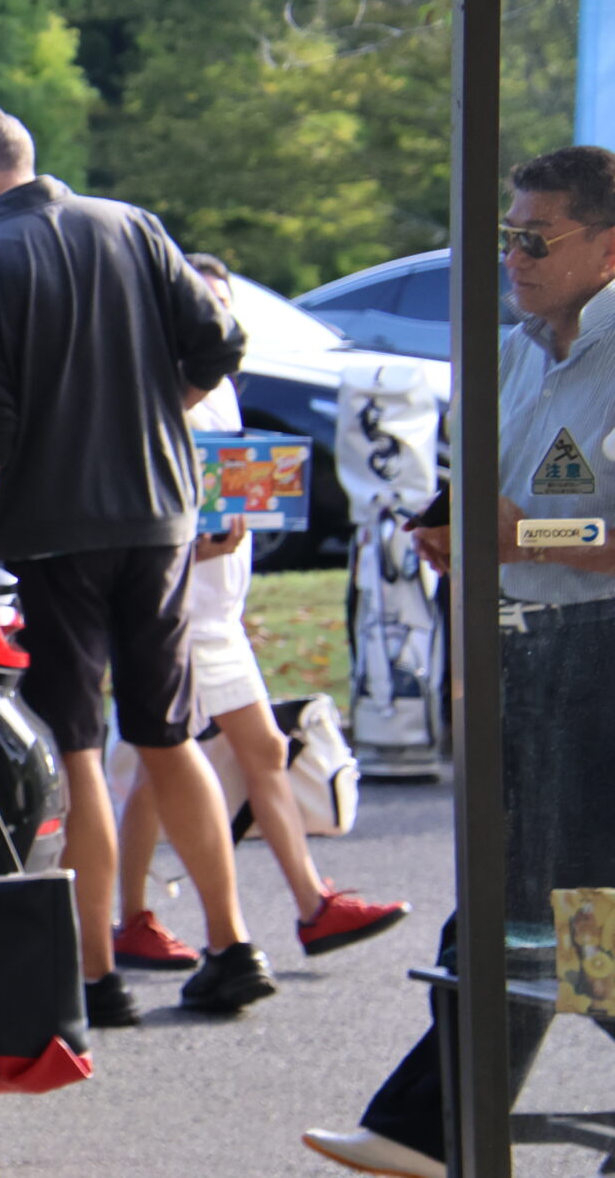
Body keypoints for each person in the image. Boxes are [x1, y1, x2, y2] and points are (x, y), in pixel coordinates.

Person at [0, 106, 272, 1026]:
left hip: (55, 530)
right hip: (160, 521)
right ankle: (233, 946)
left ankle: (98, 975)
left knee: (78, 743)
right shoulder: (134, 226)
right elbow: (221, 345)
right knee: (166, 733)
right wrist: (156, 408)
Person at [304, 146, 615, 1178]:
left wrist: (525, 537)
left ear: (608, 248)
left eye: (535, 238)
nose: (512, 256)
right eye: (506, 236)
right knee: (564, 911)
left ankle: (424, 1127)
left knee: (526, 898)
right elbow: (493, 500)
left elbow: (573, 530)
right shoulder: (513, 353)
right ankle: (426, 1127)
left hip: (597, 655)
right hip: (522, 651)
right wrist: (453, 526)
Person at [111, 254, 410, 972]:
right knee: (171, 762)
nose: (216, 320)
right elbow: (128, 515)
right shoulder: (150, 393)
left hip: (216, 612)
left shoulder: (217, 390)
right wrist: (195, 553)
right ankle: (160, 918)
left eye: (224, 306)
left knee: (234, 756)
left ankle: (292, 907)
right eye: (202, 305)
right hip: (174, 611)